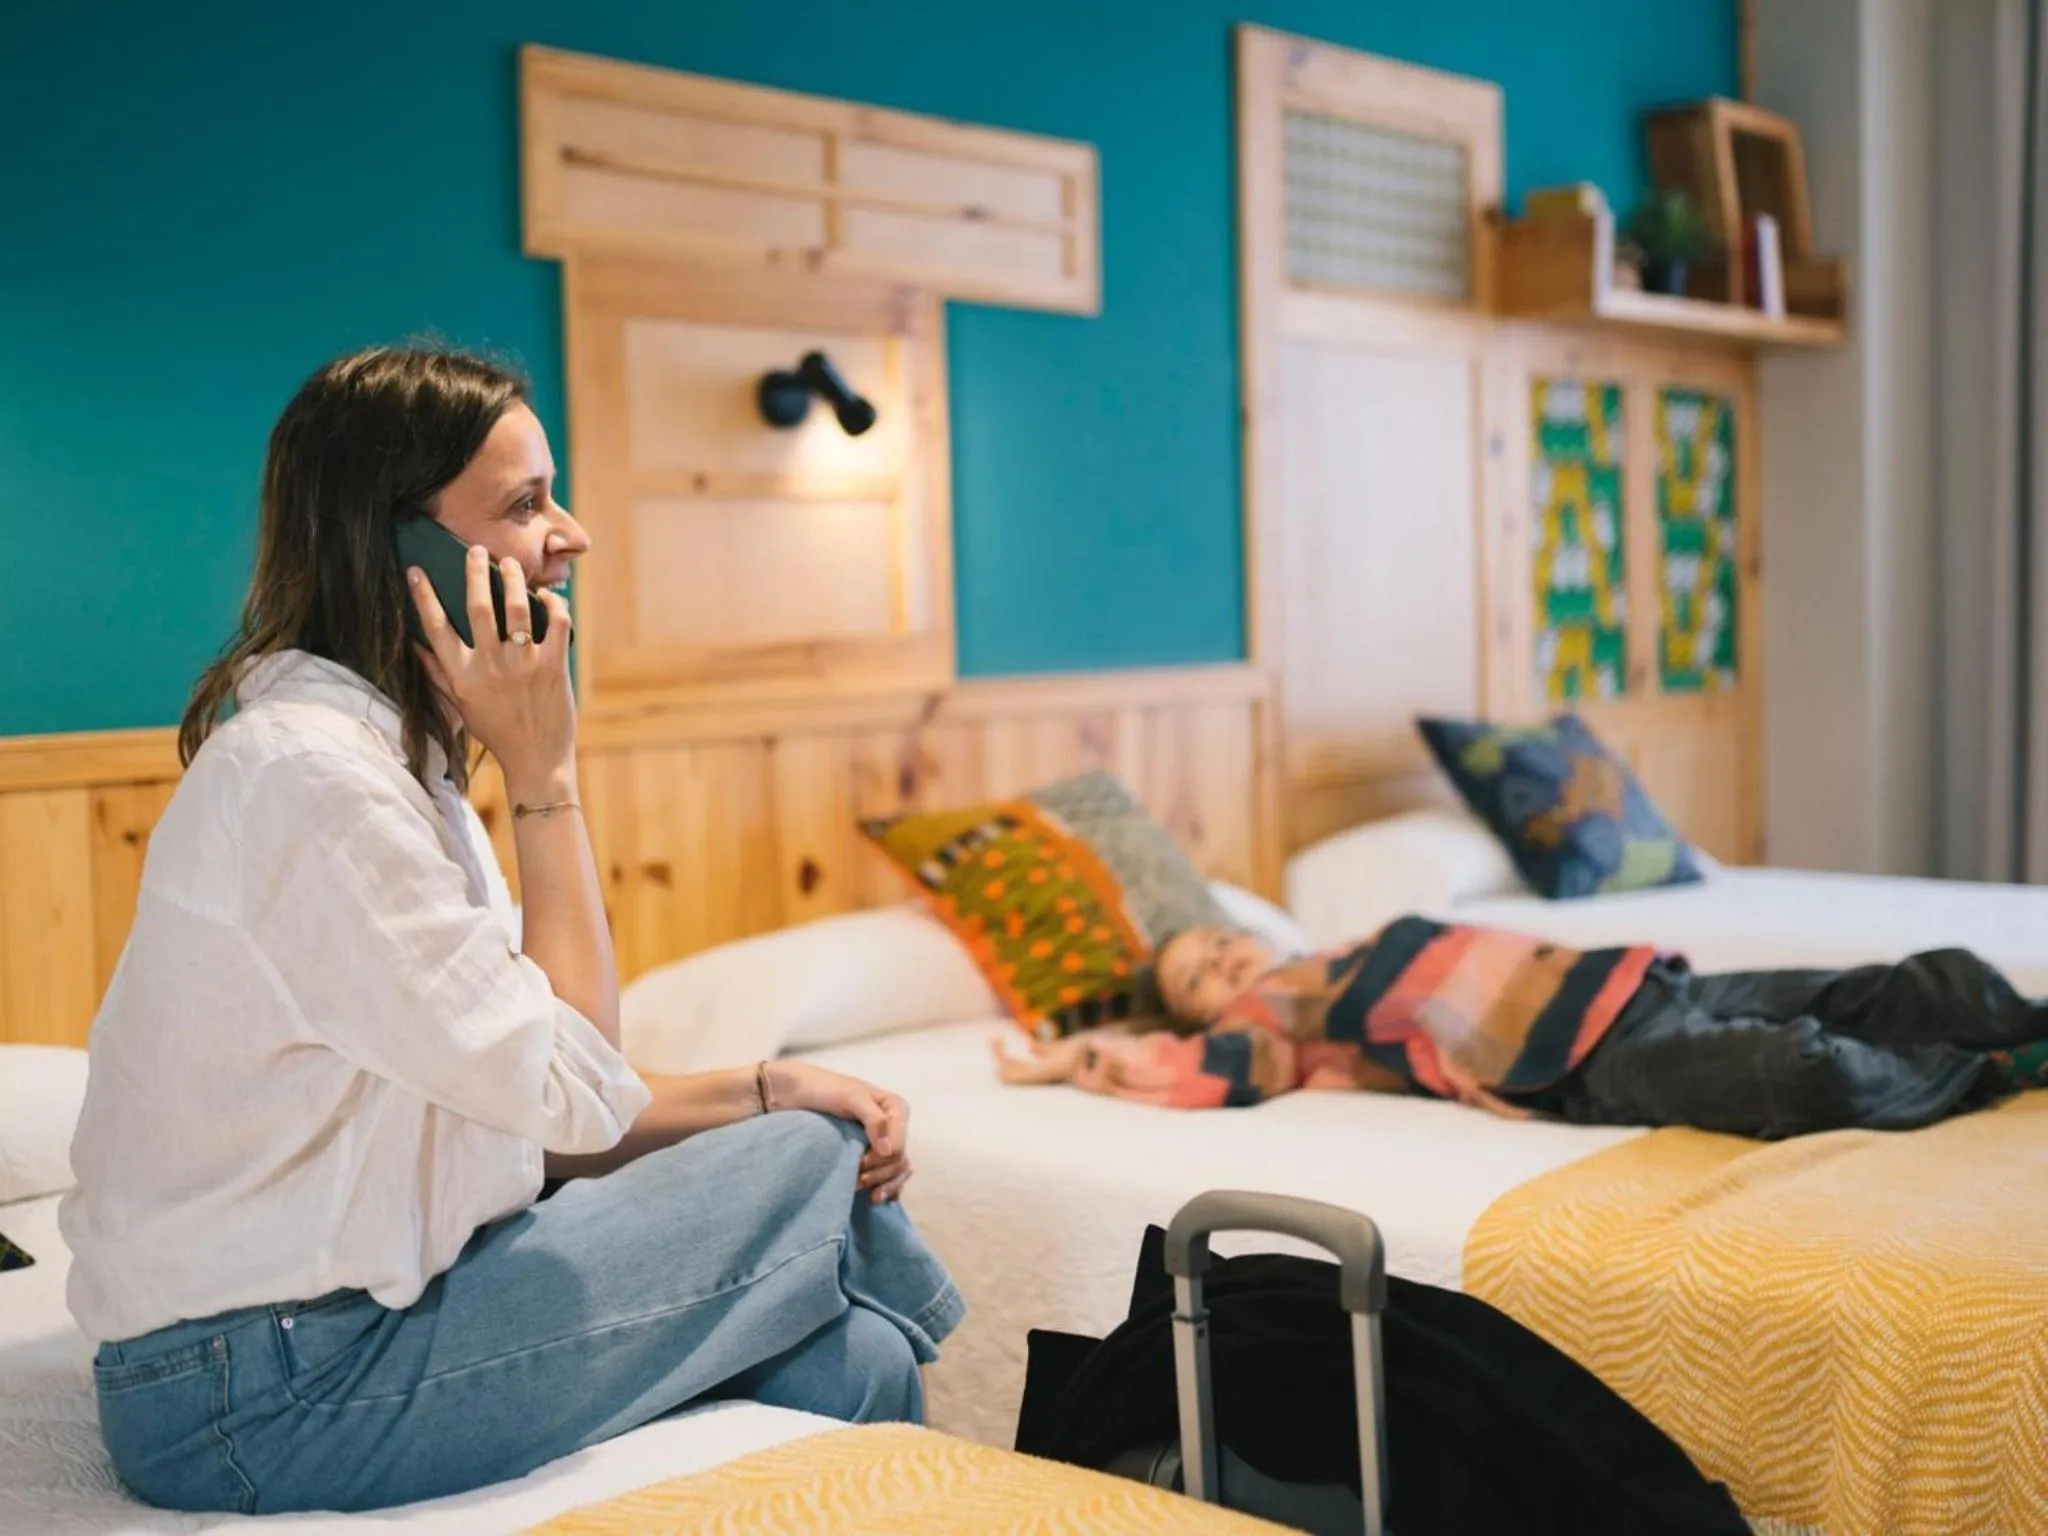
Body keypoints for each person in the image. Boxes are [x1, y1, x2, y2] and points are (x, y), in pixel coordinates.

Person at [59, 346, 962, 1517]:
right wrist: (546, 774)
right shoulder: (308, 783)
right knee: (805, 1164)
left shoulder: (397, 771)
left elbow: (533, 1112)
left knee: (855, 1363)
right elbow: (571, 1091)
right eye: (527, 504)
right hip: (259, 1391)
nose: (571, 534)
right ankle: (1069, 1437)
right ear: (398, 553)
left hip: (343, 1336)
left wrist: (767, 1080)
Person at [995, 916, 2048, 1139]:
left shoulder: (1338, 947)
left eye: (1217, 940)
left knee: (1889, 986)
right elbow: (1193, 1074)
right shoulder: (1274, 1018)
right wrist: (1065, 1060)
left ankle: (2009, 1020)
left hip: (1632, 983)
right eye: (1194, 977)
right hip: (1582, 1062)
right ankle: (1990, 1073)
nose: (1219, 960)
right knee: (1789, 1074)